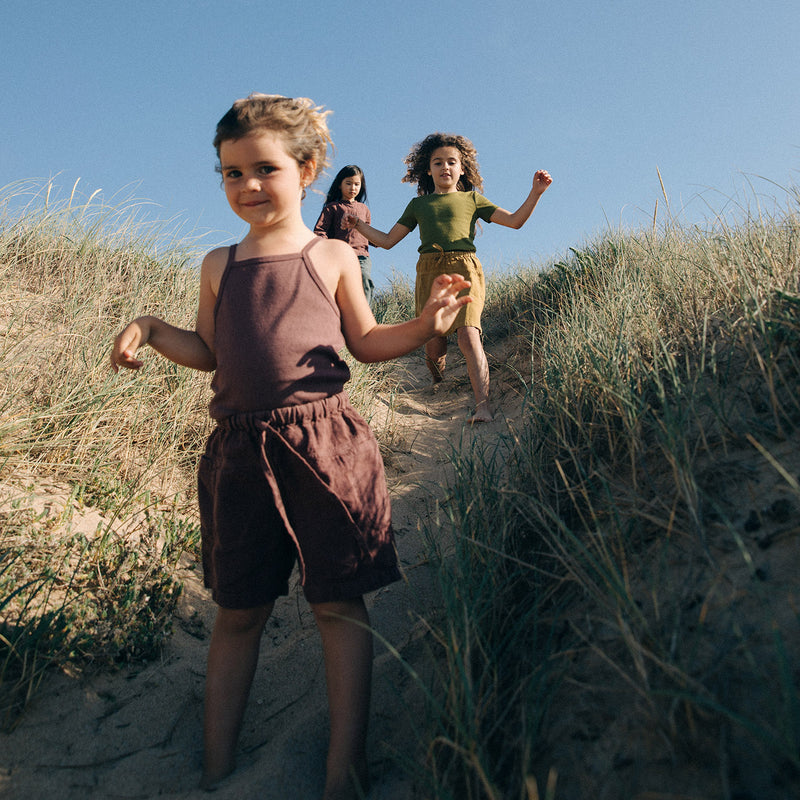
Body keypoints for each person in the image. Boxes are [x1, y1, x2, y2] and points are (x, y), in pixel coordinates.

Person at [110, 94, 472, 800]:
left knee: (338, 603)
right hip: (238, 453)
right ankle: (217, 769)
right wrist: (153, 328)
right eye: (230, 172)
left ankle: (346, 768)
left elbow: (367, 344)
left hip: (324, 445)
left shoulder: (331, 254)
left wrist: (427, 323)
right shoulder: (219, 263)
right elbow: (212, 352)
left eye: (263, 169)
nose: (246, 185)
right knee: (238, 610)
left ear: (306, 170)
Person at [346, 133, 552, 423]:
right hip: (430, 271)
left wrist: (536, 193)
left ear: (462, 168)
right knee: (434, 342)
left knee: (469, 335)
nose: (445, 167)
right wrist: (358, 226)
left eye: (452, 162)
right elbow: (388, 240)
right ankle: (438, 381)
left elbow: (515, 221)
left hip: (465, 268)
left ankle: (483, 405)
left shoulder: (472, 199)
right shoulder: (418, 206)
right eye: (438, 162)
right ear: (427, 170)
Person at [314, 165, 374, 305]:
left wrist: (378, 240)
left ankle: (366, 316)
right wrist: (327, 246)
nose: (353, 188)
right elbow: (320, 231)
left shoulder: (364, 209)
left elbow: (368, 231)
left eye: (356, 184)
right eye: (348, 183)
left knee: (364, 280)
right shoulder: (332, 207)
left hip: (361, 256)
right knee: (339, 287)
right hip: (339, 256)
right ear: (340, 185)